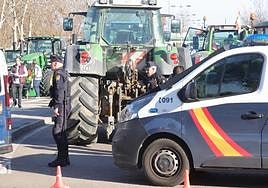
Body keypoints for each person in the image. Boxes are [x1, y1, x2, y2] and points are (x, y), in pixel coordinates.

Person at [48, 54, 71, 167]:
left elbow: (59, 91)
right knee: (62, 132)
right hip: (64, 105)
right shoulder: (63, 73)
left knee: (58, 132)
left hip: (61, 105)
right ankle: (64, 158)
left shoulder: (58, 74)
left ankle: (61, 159)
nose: (50, 65)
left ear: (56, 63)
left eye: (51, 63)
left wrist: (57, 106)